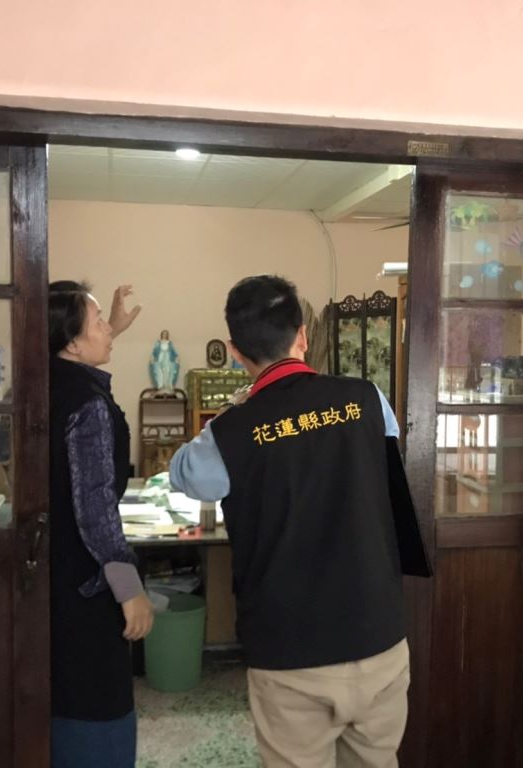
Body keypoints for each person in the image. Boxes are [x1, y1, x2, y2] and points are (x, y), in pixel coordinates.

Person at [169, 275, 413, 768]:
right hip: (378, 637)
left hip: (290, 651)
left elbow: (183, 475)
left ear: (236, 351)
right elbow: (386, 460)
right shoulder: (368, 398)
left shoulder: (229, 432)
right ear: (302, 335)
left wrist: (237, 409)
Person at [48, 280, 153, 768]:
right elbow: (95, 507)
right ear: (72, 342)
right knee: (97, 708)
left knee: (60, 698)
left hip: (53, 571)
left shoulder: (44, 382)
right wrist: (129, 587)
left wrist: (109, 327)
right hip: (88, 583)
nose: (108, 328)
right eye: (97, 322)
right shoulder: (88, 404)